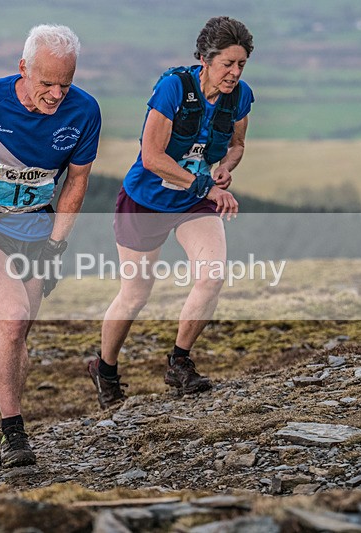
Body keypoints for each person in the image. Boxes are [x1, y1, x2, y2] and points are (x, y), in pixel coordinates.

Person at [0, 24, 101, 467]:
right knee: (12, 317)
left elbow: (76, 181)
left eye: (65, 84)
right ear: (23, 67)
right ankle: (15, 433)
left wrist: (57, 245)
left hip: (36, 234)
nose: (55, 95)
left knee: (15, 339)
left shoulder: (84, 112)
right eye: (46, 83)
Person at [88, 16, 254, 409]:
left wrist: (226, 167)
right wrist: (206, 185)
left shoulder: (240, 96)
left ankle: (179, 363)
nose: (234, 73)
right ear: (204, 59)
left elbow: (237, 144)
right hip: (146, 200)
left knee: (212, 276)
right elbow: (151, 157)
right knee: (135, 295)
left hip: (194, 201)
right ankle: (105, 369)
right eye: (227, 64)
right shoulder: (173, 89)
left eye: (241, 65)